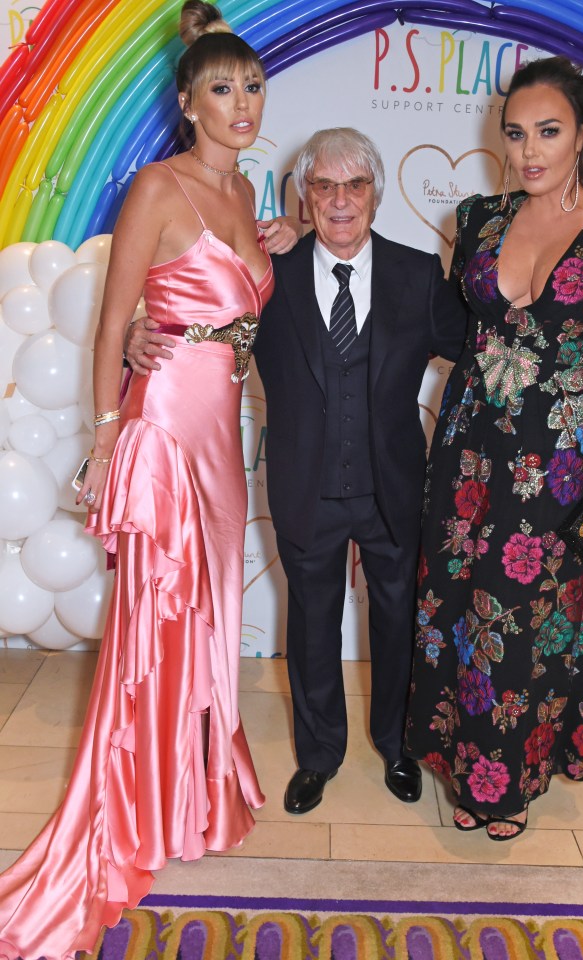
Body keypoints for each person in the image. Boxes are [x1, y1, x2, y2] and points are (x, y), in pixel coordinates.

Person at [128, 126, 583, 817]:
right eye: (323, 186)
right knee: (312, 629)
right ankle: (319, 756)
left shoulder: (419, 275)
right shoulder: (271, 276)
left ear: (376, 196)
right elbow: (202, 320)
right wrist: (134, 328)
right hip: (305, 491)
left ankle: (396, 746)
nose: (340, 200)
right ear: (304, 197)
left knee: (397, 627)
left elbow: (484, 348)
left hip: (395, 492)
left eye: (354, 185)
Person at [0, 4, 300, 957]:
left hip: (224, 430)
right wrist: (103, 435)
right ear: (187, 102)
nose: (242, 102)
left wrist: (274, 246)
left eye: (251, 86)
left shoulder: (248, 190)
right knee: (158, 613)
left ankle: (190, 783)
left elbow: (239, 299)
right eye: (223, 88)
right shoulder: (155, 189)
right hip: (166, 424)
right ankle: (137, 793)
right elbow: (114, 322)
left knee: (210, 608)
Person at [404, 56, 583, 840]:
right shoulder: (479, 216)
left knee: (526, 617)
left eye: (548, 132)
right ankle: (459, 760)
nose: (529, 150)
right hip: (463, 444)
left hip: (551, 457)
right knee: (455, 607)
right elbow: (456, 334)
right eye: (516, 133)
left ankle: (509, 780)